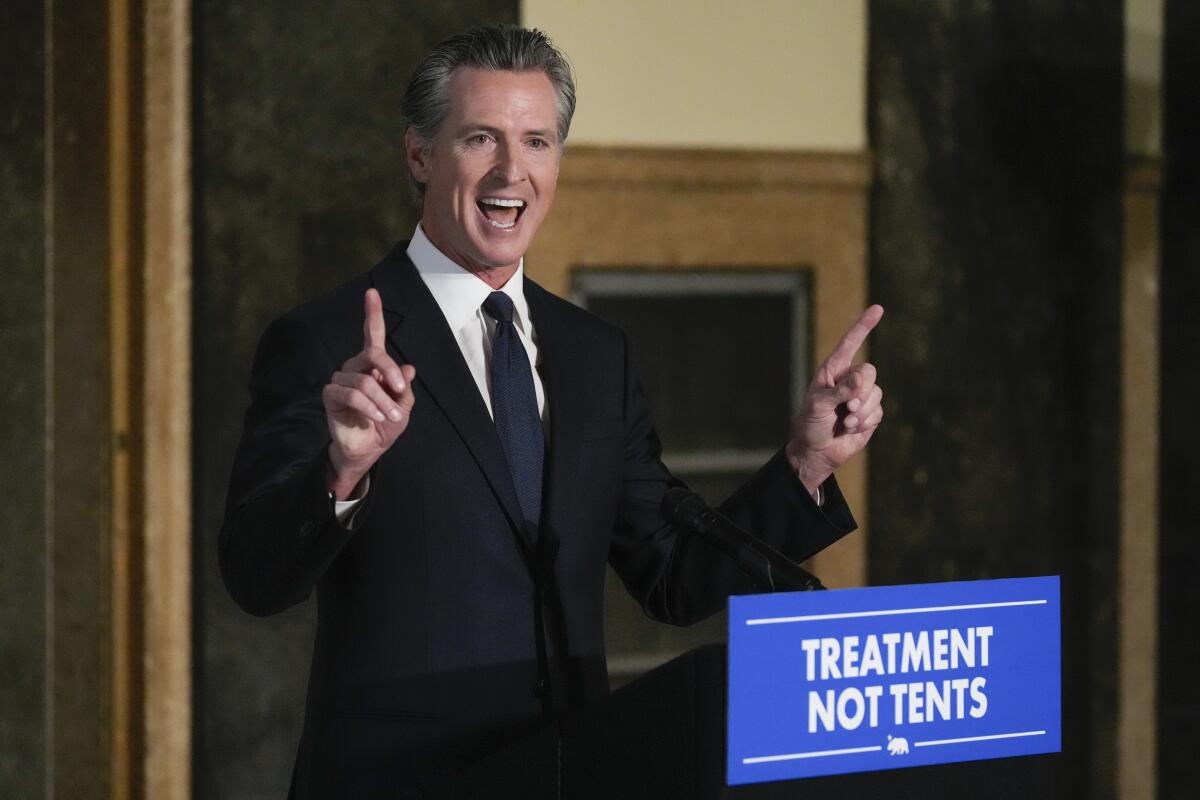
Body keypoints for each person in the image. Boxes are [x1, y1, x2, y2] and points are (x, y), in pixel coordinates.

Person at [219, 24, 884, 799]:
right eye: (480, 138)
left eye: (537, 141)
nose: (513, 170)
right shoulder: (324, 342)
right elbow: (254, 577)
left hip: (570, 775)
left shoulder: (595, 354)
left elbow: (670, 574)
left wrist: (806, 462)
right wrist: (342, 471)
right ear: (420, 156)